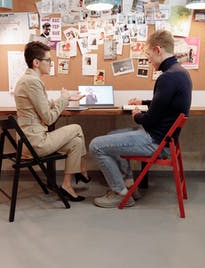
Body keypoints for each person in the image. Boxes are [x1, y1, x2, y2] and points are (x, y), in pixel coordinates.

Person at [89, 30, 192, 208]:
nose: (149, 59)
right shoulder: (180, 73)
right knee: (113, 134)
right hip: (166, 140)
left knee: (96, 145)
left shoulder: (168, 77)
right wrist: (143, 102)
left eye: (149, 54)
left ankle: (120, 193)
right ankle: (129, 186)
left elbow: (149, 120)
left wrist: (137, 115)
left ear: (158, 49)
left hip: (155, 141)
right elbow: (165, 103)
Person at [14, 41, 91, 202]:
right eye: (48, 60)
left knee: (76, 142)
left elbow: (45, 106)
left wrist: (66, 98)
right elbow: (48, 118)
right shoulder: (32, 82)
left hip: (28, 141)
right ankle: (82, 170)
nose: (51, 63)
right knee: (76, 128)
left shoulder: (27, 80)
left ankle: (67, 186)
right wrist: (63, 99)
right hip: (35, 143)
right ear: (36, 62)